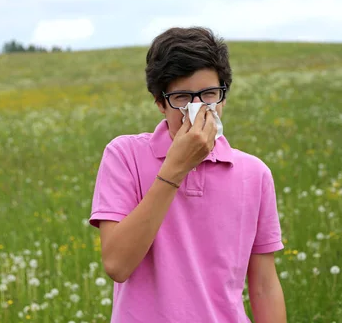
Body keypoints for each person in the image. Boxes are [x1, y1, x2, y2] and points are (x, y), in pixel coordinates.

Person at [89, 27, 287, 323]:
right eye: (182, 98)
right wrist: (175, 168)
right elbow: (117, 264)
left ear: (223, 97)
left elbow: (264, 286)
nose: (197, 109)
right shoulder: (124, 155)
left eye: (209, 94)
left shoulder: (254, 174)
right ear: (159, 102)